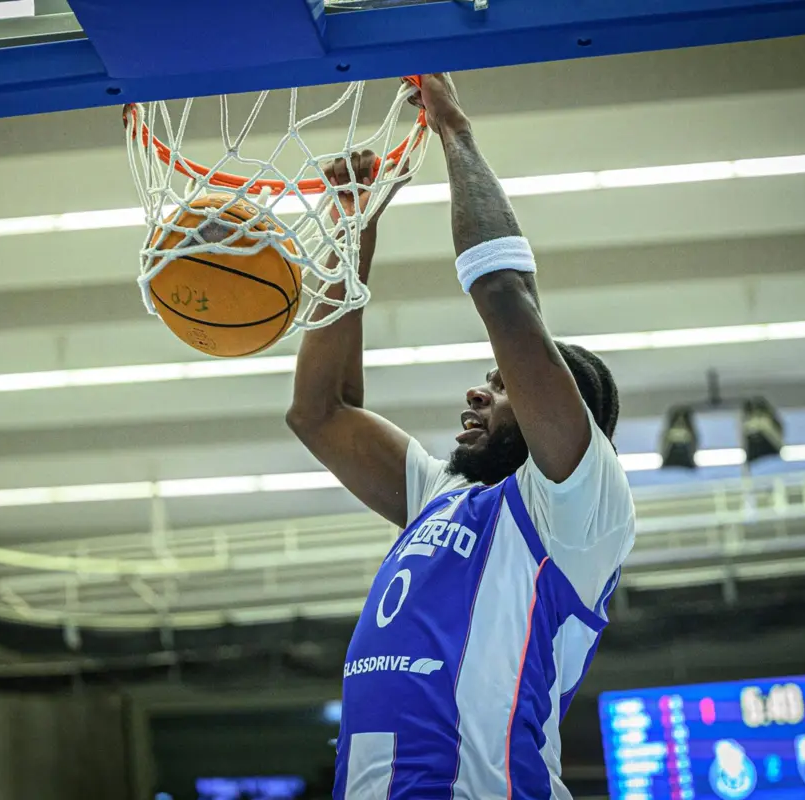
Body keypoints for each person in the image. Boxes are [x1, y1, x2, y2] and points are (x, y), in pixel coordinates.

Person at [286, 73, 636, 799]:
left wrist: (456, 133)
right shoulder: (443, 494)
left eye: (505, 384)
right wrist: (352, 226)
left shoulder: (574, 508)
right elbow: (320, 411)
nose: (481, 390)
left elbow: (506, 298)